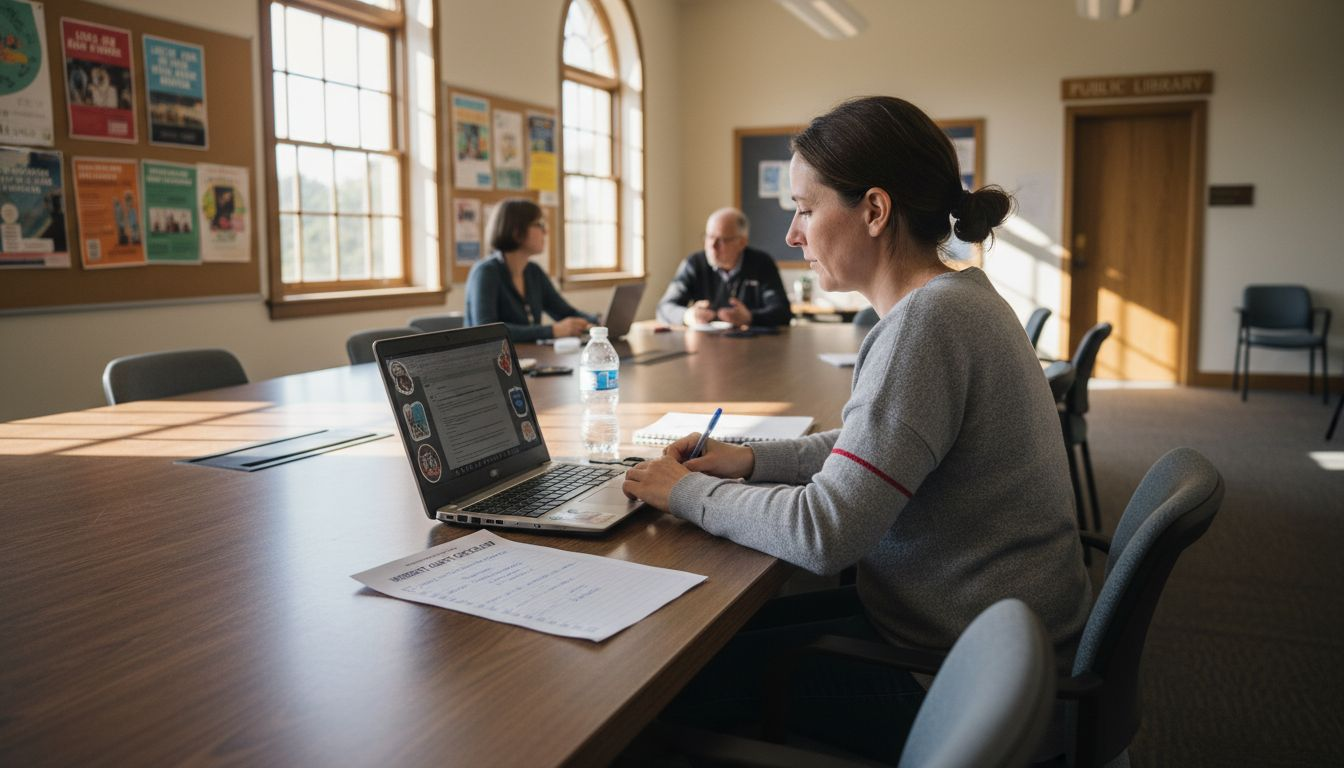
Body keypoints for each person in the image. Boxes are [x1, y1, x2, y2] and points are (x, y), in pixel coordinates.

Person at [623, 96, 1091, 762]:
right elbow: (865, 446)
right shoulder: (958, 299)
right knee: (715, 641)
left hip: (952, 676)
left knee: (659, 689)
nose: (791, 234)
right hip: (984, 640)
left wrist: (685, 494)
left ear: (874, 210)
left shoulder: (925, 328)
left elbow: (824, 533)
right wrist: (747, 459)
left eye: (805, 210)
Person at [465, 199, 595, 342]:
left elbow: (565, 312)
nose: (545, 231)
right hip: (491, 363)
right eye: (539, 225)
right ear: (516, 231)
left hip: (531, 359)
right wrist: (552, 330)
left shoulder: (534, 272)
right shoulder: (485, 272)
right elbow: (487, 331)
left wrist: (597, 322)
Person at [655, 208, 792, 327]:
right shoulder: (694, 264)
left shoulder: (762, 263)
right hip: (705, 347)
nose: (712, 246)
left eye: (721, 240)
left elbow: (782, 312)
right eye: (709, 237)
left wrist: (750, 317)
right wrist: (688, 316)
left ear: (742, 242)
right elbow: (664, 308)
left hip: (751, 347)